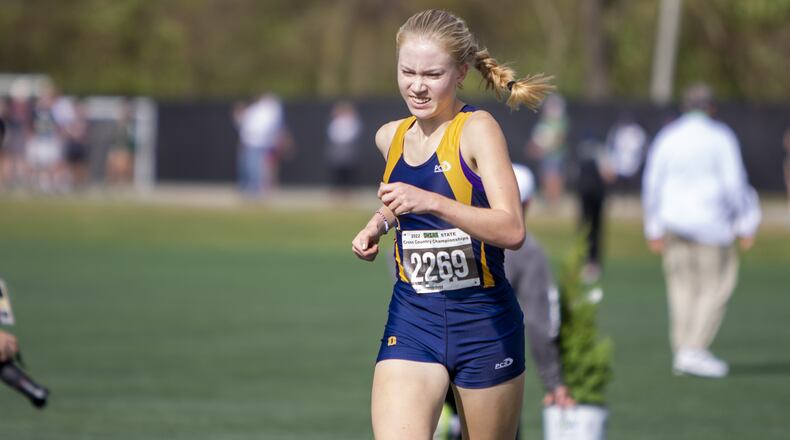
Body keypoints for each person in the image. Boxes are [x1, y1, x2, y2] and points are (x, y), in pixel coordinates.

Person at [351, 9, 553, 439]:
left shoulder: (478, 130)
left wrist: (432, 202)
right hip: (413, 318)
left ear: (461, 73)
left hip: (484, 323)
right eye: (407, 72)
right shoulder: (390, 137)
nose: (417, 86)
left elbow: (512, 229)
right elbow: (403, 201)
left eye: (432, 74)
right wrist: (379, 223)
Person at [642, 83, 761, 379]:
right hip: (712, 226)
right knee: (715, 287)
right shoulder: (720, 137)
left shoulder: (668, 136)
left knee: (681, 288)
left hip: (674, 224)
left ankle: (683, 350)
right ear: (711, 107)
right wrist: (745, 222)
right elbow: (734, 184)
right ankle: (693, 349)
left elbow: (652, 183)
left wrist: (652, 227)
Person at [575, 134, 615, 283]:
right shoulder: (598, 154)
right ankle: (587, 261)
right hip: (592, 196)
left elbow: (607, 175)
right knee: (589, 230)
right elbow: (609, 175)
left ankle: (590, 262)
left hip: (593, 196)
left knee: (589, 229)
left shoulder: (596, 154)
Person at [237, 93, 292, 197]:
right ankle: (253, 188)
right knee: (255, 166)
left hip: (262, 142)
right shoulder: (263, 110)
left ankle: (257, 188)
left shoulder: (265, 110)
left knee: (259, 167)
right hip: (257, 142)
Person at [525, 94, 568, 205]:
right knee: (546, 176)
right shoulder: (545, 121)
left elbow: (559, 139)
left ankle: (555, 200)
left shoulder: (559, 122)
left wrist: (545, 149)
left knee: (554, 177)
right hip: (546, 156)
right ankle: (549, 199)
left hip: (554, 155)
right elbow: (538, 138)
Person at [325, 101, 363, 196]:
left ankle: (347, 191)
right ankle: (337, 191)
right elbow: (333, 134)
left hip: (348, 150)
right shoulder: (336, 122)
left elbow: (353, 134)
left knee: (349, 172)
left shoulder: (352, 122)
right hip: (337, 149)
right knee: (337, 172)